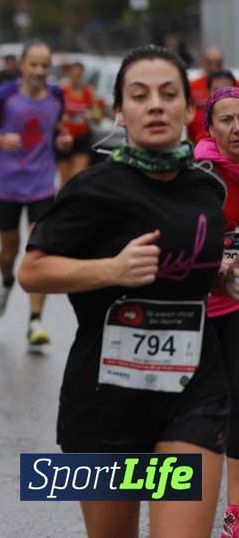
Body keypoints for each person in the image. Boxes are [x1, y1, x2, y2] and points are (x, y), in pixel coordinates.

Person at [18, 45, 235, 538]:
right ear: (120, 111)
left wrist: (222, 274)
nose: (155, 105)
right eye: (140, 95)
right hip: (106, 401)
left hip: (192, 395)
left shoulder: (206, 192)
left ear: (186, 108)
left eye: (168, 94)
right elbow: (32, 272)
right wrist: (111, 269)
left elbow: (194, 269)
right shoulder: (93, 189)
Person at [0, 41, 72, 347]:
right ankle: (5, 280)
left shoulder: (56, 95)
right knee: (8, 253)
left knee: (39, 252)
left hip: (42, 184)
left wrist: (62, 139)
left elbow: (57, 127)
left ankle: (35, 321)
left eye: (44, 66)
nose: (39, 71)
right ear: (23, 66)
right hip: (7, 185)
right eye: (34, 65)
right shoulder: (4, 96)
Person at [194, 85, 239, 536]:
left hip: (238, 306)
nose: (237, 128)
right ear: (209, 127)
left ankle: (235, 518)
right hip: (202, 310)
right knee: (203, 417)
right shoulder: (203, 173)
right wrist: (213, 260)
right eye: (226, 119)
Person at [57, 62, 100, 185]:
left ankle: (74, 202)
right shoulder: (62, 90)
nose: (76, 77)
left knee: (77, 177)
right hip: (64, 138)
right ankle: (62, 202)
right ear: (69, 74)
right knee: (64, 180)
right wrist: (61, 117)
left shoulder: (88, 91)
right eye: (74, 74)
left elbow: (98, 115)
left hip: (82, 138)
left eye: (79, 75)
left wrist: (91, 114)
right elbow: (52, 113)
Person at [187, 47, 226, 145]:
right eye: (210, 63)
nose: (214, 68)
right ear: (203, 62)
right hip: (197, 143)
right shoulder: (192, 86)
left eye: (218, 64)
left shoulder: (234, 84)